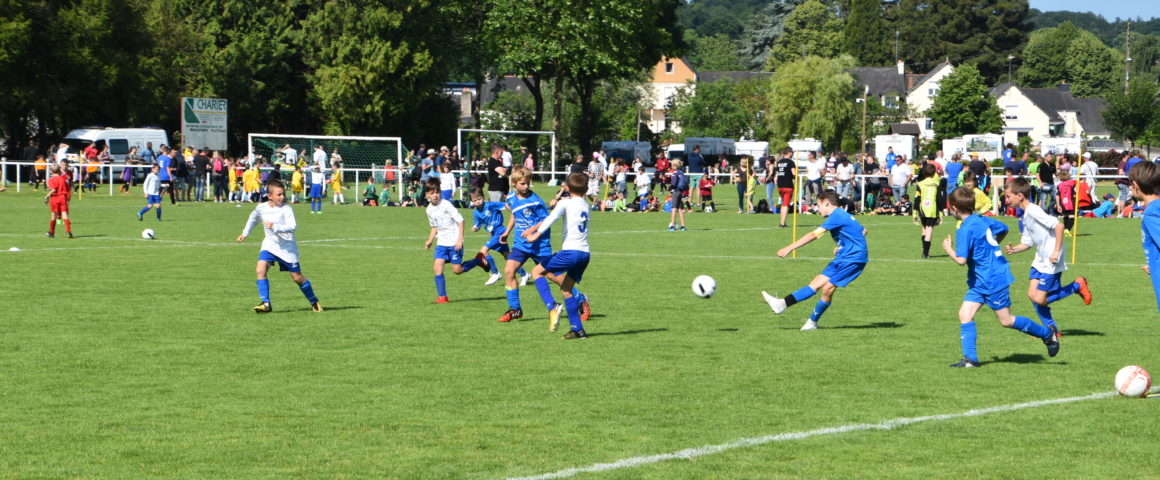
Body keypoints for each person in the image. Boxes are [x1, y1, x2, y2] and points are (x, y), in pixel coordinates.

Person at [941, 187, 1058, 368]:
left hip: (992, 279)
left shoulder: (965, 228)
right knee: (965, 314)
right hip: (979, 280)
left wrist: (948, 248)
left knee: (1006, 320)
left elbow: (961, 260)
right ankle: (970, 359)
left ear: (955, 208)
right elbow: (1003, 228)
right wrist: (993, 245)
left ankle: (1047, 334)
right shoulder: (982, 219)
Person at [761, 191, 868, 331]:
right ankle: (782, 304)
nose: (818, 209)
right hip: (844, 256)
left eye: (818, 205)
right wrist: (843, 245)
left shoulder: (836, 215)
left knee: (828, 288)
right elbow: (863, 231)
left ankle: (812, 322)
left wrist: (789, 248)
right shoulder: (842, 214)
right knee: (816, 282)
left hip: (854, 259)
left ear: (826, 203)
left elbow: (813, 235)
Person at [1003, 177, 1092, 339]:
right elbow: (1027, 243)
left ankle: (1077, 286)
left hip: (1052, 258)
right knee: (1032, 295)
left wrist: (1056, 251)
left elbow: (1059, 226)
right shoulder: (1025, 215)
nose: (1006, 200)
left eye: (1008, 196)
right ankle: (1052, 330)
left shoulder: (1034, 210)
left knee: (1039, 298)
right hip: (1040, 258)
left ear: (1020, 196)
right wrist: (1013, 249)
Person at [523, 173, 593, 339]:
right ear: (586, 190)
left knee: (537, 272)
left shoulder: (565, 202)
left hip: (571, 251)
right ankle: (578, 330)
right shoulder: (586, 205)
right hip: (585, 253)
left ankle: (552, 306)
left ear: (567, 188)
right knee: (566, 289)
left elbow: (551, 218)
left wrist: (535, 234)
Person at [235, 178, 321, 313]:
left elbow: (292, 227)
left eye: (283, 194)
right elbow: (253, 218)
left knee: (297, 278)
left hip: (287, 249)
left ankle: (314, 301)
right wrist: (245, 233)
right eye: (279, 194)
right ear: (270, 196)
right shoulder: (262, 208)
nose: (282, 197)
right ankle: (266, 303)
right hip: (270, 245)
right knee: (260, 270)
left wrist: (275, 227)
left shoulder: (286, 209)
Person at [497, 167, 557, 322]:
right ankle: (515, 309)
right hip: (521, 244)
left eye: (528, 183)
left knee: (552, 275)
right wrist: (507, 231)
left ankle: (579, 298)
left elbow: (546, 220)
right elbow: (515, 213)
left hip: (540, 244)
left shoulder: (535, 201)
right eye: (522, 183)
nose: (526, 186)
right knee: (509, 271)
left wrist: (531, 229)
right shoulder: (511, 197)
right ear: (514, 183)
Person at [424, 178, 491, 303]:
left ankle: (478, 260)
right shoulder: (429, 209)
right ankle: (443, 297)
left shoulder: (446, 204)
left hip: (454, 242)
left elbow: (461, 221)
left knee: (457, 270)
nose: (435, 195)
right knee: (437, 267)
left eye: (437, 192)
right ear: (427, 194)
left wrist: (459, 240)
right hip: (441, 244)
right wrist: (430, 240)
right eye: (432, 193)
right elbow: (434, 226)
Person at [469, 186, 522, 287]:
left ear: (483, 197)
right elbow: (477, 224)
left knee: (483, 251)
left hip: (500, 231)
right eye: (475, 200)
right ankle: (524, 274)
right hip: (494, 234)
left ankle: (495, 273)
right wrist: (475, 228)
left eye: (479, 199)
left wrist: (514, 212)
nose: (478, 202)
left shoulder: (491, 205)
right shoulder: (476, 212)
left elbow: (505, 205)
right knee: (507, 256)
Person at [1129, 161, 1160, 312]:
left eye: (1130, 184)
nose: (1130, 187)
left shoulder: (1152, 213)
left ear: (1136, 184)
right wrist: (1153, 263)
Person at [913, 163, 942, 258]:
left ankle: (924, 250)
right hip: (932, 209)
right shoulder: (936, 184)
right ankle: (926, 253)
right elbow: (939, 199)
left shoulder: (920, 184)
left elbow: (917, 198)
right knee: (929, 229)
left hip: (922, 208)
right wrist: (941, 212)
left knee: (924, 227)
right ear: (934, 174)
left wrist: (915, 212)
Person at [44, 165, 73, 238]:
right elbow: (68, 189)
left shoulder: (51, 179)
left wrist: (47, 196)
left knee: (53, 215)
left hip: (55, 198)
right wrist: (68, 198)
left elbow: (53, 189)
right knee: (64, 214)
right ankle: (68, 232)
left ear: (51, 171)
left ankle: (51, 233)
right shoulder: (63, 178)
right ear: (59, 170)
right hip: (63, 197)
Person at [773, 147, 796, 228]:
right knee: (785, 205)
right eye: (792, 152)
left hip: (780, 186)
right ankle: (782, 223)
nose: (792, 154)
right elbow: (794, 173)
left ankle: (783, 222)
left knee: (784, 204)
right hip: (788, 185)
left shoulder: (779, 162)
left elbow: (777, 174)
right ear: (789, 153)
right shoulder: (790, 162)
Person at [667, 159, 687, 231]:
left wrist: (669, 188)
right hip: (680, 192)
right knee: (680, 209)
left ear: (675, 166)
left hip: (675, 192)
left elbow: (673, 183)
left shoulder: (675, 173)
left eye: (672, 165)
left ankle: (672, 226)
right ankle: (683, 226)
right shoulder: (681, 172)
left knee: (674, 208)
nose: (671, 166)